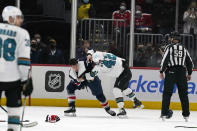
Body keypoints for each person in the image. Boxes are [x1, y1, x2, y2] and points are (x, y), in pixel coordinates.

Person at [0, 6, 33, 131]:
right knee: (14, 110)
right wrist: (26, 80)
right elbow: (23, 60)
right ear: (10, 18)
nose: (21, 21)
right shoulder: (22, 33)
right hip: (13, 78)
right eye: (18, 17)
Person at [87, 50, 144, 117]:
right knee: (124, 89)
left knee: (116, 90)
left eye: (97, 62)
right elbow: (93, 51)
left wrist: (86, 75)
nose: (96, 63)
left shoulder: (103, 65)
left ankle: (122, 110)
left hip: (124, 73)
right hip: (123, 70)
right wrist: (89, 54)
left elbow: (91, 75)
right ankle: (136, 101)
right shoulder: (100, 54)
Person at [160, 32, 194, 122]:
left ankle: (164, 114)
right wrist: (189, 73)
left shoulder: (169, 47)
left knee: (167, 93)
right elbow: (190, 62)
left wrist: (161, 71)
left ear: (172, 38)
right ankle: (186, 115)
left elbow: (165, 60)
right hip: (182, 72)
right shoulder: (184, 48)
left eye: (171, 38)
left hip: (171, 71)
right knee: (183, 94)